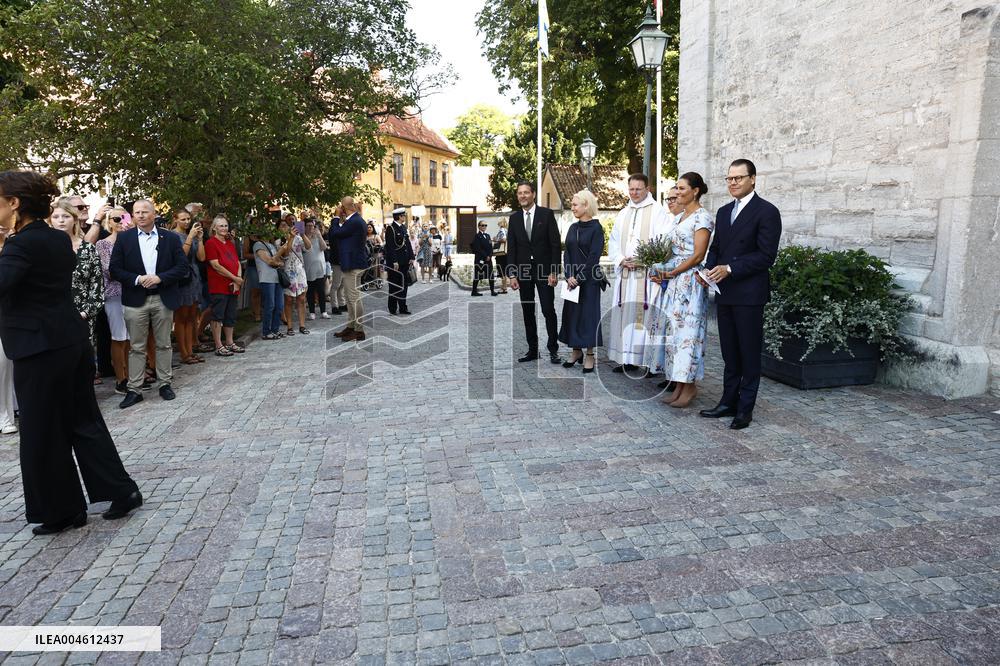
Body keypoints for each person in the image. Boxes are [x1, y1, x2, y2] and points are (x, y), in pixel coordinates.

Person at [0, 170, 141, 535]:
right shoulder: (55, 238)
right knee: (83, 420)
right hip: (71, 342)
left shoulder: (20, 245)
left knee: (42, 431)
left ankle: (62, 511)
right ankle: (121, 491)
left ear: (14, 203)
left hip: (40, 348)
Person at [699, 159, 782, 430]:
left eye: (739, 178)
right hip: (724, 292)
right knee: (729, 353)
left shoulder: (767, 211)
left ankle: (744, 409)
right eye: (729, 178)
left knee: (748, 353)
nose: (733, 183)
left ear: (753, 179)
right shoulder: (723, 212)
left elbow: (766, 256)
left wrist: (731, 268)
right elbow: (717, 247)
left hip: (749, 294)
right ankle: (727, 402)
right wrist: (708, 271)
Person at [110, 198, 188, 409]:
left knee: (163, 343)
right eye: (137, 212)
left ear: (154, 214)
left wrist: (160, 277)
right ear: (132, 216)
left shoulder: (170, 238)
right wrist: (137, 279)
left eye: (145, 211)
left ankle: (165, 383)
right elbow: (115, 269)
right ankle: (135, 389)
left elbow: (182, 267)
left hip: (162, 296)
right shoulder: (124, 239)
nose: (141, 215)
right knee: (136, 346)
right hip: (136, 299)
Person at [644, 173, 714, 408]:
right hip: (673, 281)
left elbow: (698, 255)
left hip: (689, 283)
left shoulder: (702, 217)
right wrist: (660, 268)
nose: (678, 192)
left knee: (688, 335)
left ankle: (690, 386)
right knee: (674, 334)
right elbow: (670, 251)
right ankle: (678, 384)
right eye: (677, 188)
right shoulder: (681, 217)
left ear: (695, 191)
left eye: (682, 188)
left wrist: (673, 272)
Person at [607, 173, 672, 375]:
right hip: (626, 274)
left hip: (646, 277)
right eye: (631, 189)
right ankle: (628, 359)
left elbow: (664, 242)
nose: (634, 193)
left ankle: (648, 361)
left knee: (646, 315)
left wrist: (645, 260)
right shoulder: (623, 212)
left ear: (647, 189)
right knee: (626, 313)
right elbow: (614, 241)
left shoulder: (658, 212)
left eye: (638, 189)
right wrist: (620, 259)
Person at [505, 180, 562, 364]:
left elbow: (555, 245)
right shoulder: (513, 219)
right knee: (528, 311)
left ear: (533, 194)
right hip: (523, 273)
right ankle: (532, 350)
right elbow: (511, 249)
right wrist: (512, 274)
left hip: (544, 271)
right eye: (519, 193)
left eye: (526, 192)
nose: (522, 196)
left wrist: (554, 271)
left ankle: (553, 349)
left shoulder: (546, 215)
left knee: (548, 310)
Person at [559, 191, 605, 374]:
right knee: (572, 315)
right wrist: (569, 275)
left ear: (587, 206)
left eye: (576, 204)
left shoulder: (596, 228)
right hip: (572, 281)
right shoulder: (572, 227)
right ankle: (576, 351)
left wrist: (579, 278)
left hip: (589, 280)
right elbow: (567, 254)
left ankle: (590, 355)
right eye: (572, 204)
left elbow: (594, 257)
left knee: (588, 316)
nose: (573, 207)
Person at [50, 198, 104, 354]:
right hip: (53, 318)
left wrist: (84, 313)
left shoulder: (88, 249)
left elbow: (97, 288)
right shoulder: (44, 248)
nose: (60, 221)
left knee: (83, 366)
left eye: (65, 216)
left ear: (74, 219)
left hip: (83, 318)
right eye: (56, 217)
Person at [96, 208, 131, 393]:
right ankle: (120, 379)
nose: (120, 221)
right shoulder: (103, 244)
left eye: (124, 217)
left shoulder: (133, 240)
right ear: (109, 222)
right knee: (119, 337)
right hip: (114, 294)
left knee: (130, 337)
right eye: (116, 218)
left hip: (133, 293)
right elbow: (110, 270)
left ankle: (130, 375)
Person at [169, 208, 205, 366]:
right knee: (181, 318)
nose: (186, 222)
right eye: (183, 219)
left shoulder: (192, 234)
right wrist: (190, 237)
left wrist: (200, 239)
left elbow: (202, 257)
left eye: (188, 219)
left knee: (192, 317)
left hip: (194, 277)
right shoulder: (173, 236)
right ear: (175, 219)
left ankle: (190, 350)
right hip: (182, 279)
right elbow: (181, 256)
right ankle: (183, 353)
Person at [329, 197, 369, 341]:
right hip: (353, 263)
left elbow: (335, 233)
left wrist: (335, 216)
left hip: (353, 264)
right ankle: (351, 326)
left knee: (353, 299)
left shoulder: (354, 221)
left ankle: (359, 330)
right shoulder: (355, 220)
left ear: (344, 207)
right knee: (352, 298)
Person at [204, 215, 244, 355]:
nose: (224, 228)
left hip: (233, 285)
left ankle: (230, 342)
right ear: (214, 227)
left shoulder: (229, 243)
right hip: (219, 284)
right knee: (218, 315)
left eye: (226, 225)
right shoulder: (211, 243)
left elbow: (237, 262)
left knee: (230, 314)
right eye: (221, 225)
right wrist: (234, 277)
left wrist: (238, 279)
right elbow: (215, 265)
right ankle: (218, 345)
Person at [253, 222, 291, 340]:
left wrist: (279, 258)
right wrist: (279, 255)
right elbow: (270, 261)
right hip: (266, 278)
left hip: (277, 278)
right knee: (270, 305)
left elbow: (280, 261)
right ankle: (266, 331)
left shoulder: (272, 245)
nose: (270, 232)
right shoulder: (258, 245)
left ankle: (275, 330)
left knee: (279, 305)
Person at [277, 216, 311, 335]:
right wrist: (290, 237)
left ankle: (302, 325)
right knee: (289, 300)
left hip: (300, 271)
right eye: (282, 226)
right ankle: (290, 327)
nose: (285, 227)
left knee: (301, 299)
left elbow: (308, 246)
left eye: (286, 225)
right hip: (287, 272)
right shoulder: (279, 241)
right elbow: (286, 253)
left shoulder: (298, 238)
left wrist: (302, 234)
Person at [383, 208, 414, 315]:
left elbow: (407, 243)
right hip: (395, 263)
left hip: (404, 261)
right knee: (394, 285)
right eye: (403, 215)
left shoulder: (403, 228)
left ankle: (403, 307)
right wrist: (394, 261)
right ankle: (392, 308)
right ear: (399, 217)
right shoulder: (391, 228)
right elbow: (390, 247)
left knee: (404, 285)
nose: (404, 217)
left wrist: (411, 257)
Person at [304, 218, 329, 318]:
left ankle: (323, 311)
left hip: (319, 266)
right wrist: (309, 236)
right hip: (308, 267)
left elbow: (324, 248)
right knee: (310, 290)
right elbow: (306, 248)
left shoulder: (318, 236)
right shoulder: (302, 237)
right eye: (308, 226)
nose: (311, 228)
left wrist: (319, 236)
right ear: (305, 227)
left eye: (312, 226)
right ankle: (312, 312)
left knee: (321, 290)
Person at [470, 221, 496, 296]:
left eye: (485, 225)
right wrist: (486, 256)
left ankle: (492, 291)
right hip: (480, 259)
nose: (484, 227)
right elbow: (478, 248)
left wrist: (490, 256)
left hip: (488, 259)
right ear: (479, 227)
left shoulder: (488, 236)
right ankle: (474, 291)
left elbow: (491, 247)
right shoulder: (477, 236)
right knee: (478, 275)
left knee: (491, 274)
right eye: (482, 225)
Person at [242, 233, 262, 322]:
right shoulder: (248, 238)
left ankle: (260, 310)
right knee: (255, 290)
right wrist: (259, 256)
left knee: (263, 290)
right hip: (253, 266)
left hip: (264, 266)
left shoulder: (264, 235)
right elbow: (245, 254)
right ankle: (256, 314)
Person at [494, 220, 509, 293]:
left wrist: (495, 239)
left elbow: (504, 239)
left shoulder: (502, 230)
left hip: (501, 253)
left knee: (502, 271)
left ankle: (504, 288)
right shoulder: (506, 230)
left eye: (499, 222)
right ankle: (504, 287)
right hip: (505, 254)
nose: (498, 223)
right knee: (504, 271)